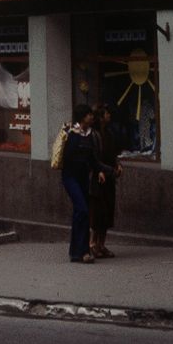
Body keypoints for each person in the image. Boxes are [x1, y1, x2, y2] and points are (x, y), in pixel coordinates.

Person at [62, 104, 108, 264]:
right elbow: (67, 158)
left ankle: (77, 252)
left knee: (81, 213)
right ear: (82, 117)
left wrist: (107, 170)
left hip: (82, 178)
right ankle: (83, 251)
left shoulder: (89, 135)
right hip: (70, 177)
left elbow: (93, 160)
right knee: (82, 210)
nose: (92, 117)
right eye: (89, 115)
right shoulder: (72, 134)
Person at [89, 103, 122, 258]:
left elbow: (113, 153)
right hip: (98, 178)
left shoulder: (109, 133)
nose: (110, 116)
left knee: (108, 211)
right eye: (107, 114)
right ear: (101, 117)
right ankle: (92, 244)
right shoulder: (94, 135)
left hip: (109, 176)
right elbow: (93, 158)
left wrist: (117, 164)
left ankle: (102, 244)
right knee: (98, 212)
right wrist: (99, 171)